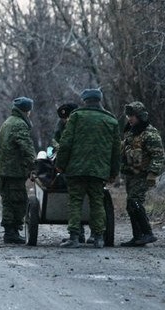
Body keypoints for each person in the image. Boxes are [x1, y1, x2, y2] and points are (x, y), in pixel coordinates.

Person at [55, 89, 120, 248]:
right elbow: (116, 150)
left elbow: (65, 143)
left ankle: (74, 237)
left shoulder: (76, 117)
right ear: (99, 100)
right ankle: (98, 238)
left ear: (84, 100)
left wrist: (60, 165)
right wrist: (113, 173)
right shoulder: (111, 120)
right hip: (99, 170)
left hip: (76, 169)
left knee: (75, 201)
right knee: (97, 202)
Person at [120, 101, 165, 246]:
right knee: (131, 204)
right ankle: (138, 236)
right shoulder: (131, 132)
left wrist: (152, 174)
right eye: (128, 116)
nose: (130, 118)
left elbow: (158, 155)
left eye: (132, 116)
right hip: (131, 174)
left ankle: (148, 233)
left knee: (135, 201)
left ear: (140, 116)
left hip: (143, 174)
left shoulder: (150, 133)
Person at [0, 97, 36, 244]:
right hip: (13, 171)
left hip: (3, 169)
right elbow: (26, 147)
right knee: (19, 201)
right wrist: (34, 166)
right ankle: (12, 231)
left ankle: (9, 232)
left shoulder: (8, 122)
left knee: (7, 201)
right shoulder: (19, 124)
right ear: (27, 110)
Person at [52, 102, 91, 245]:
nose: (65, 121)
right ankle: (78, 233)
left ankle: (94, 233)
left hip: (86, 162)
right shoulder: (61, 124)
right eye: (63, 119)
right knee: (75, 198)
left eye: (67, 117)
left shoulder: (84, 121)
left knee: (92, 197)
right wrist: (58, 149)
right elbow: (56, 139)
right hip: (71, 165)